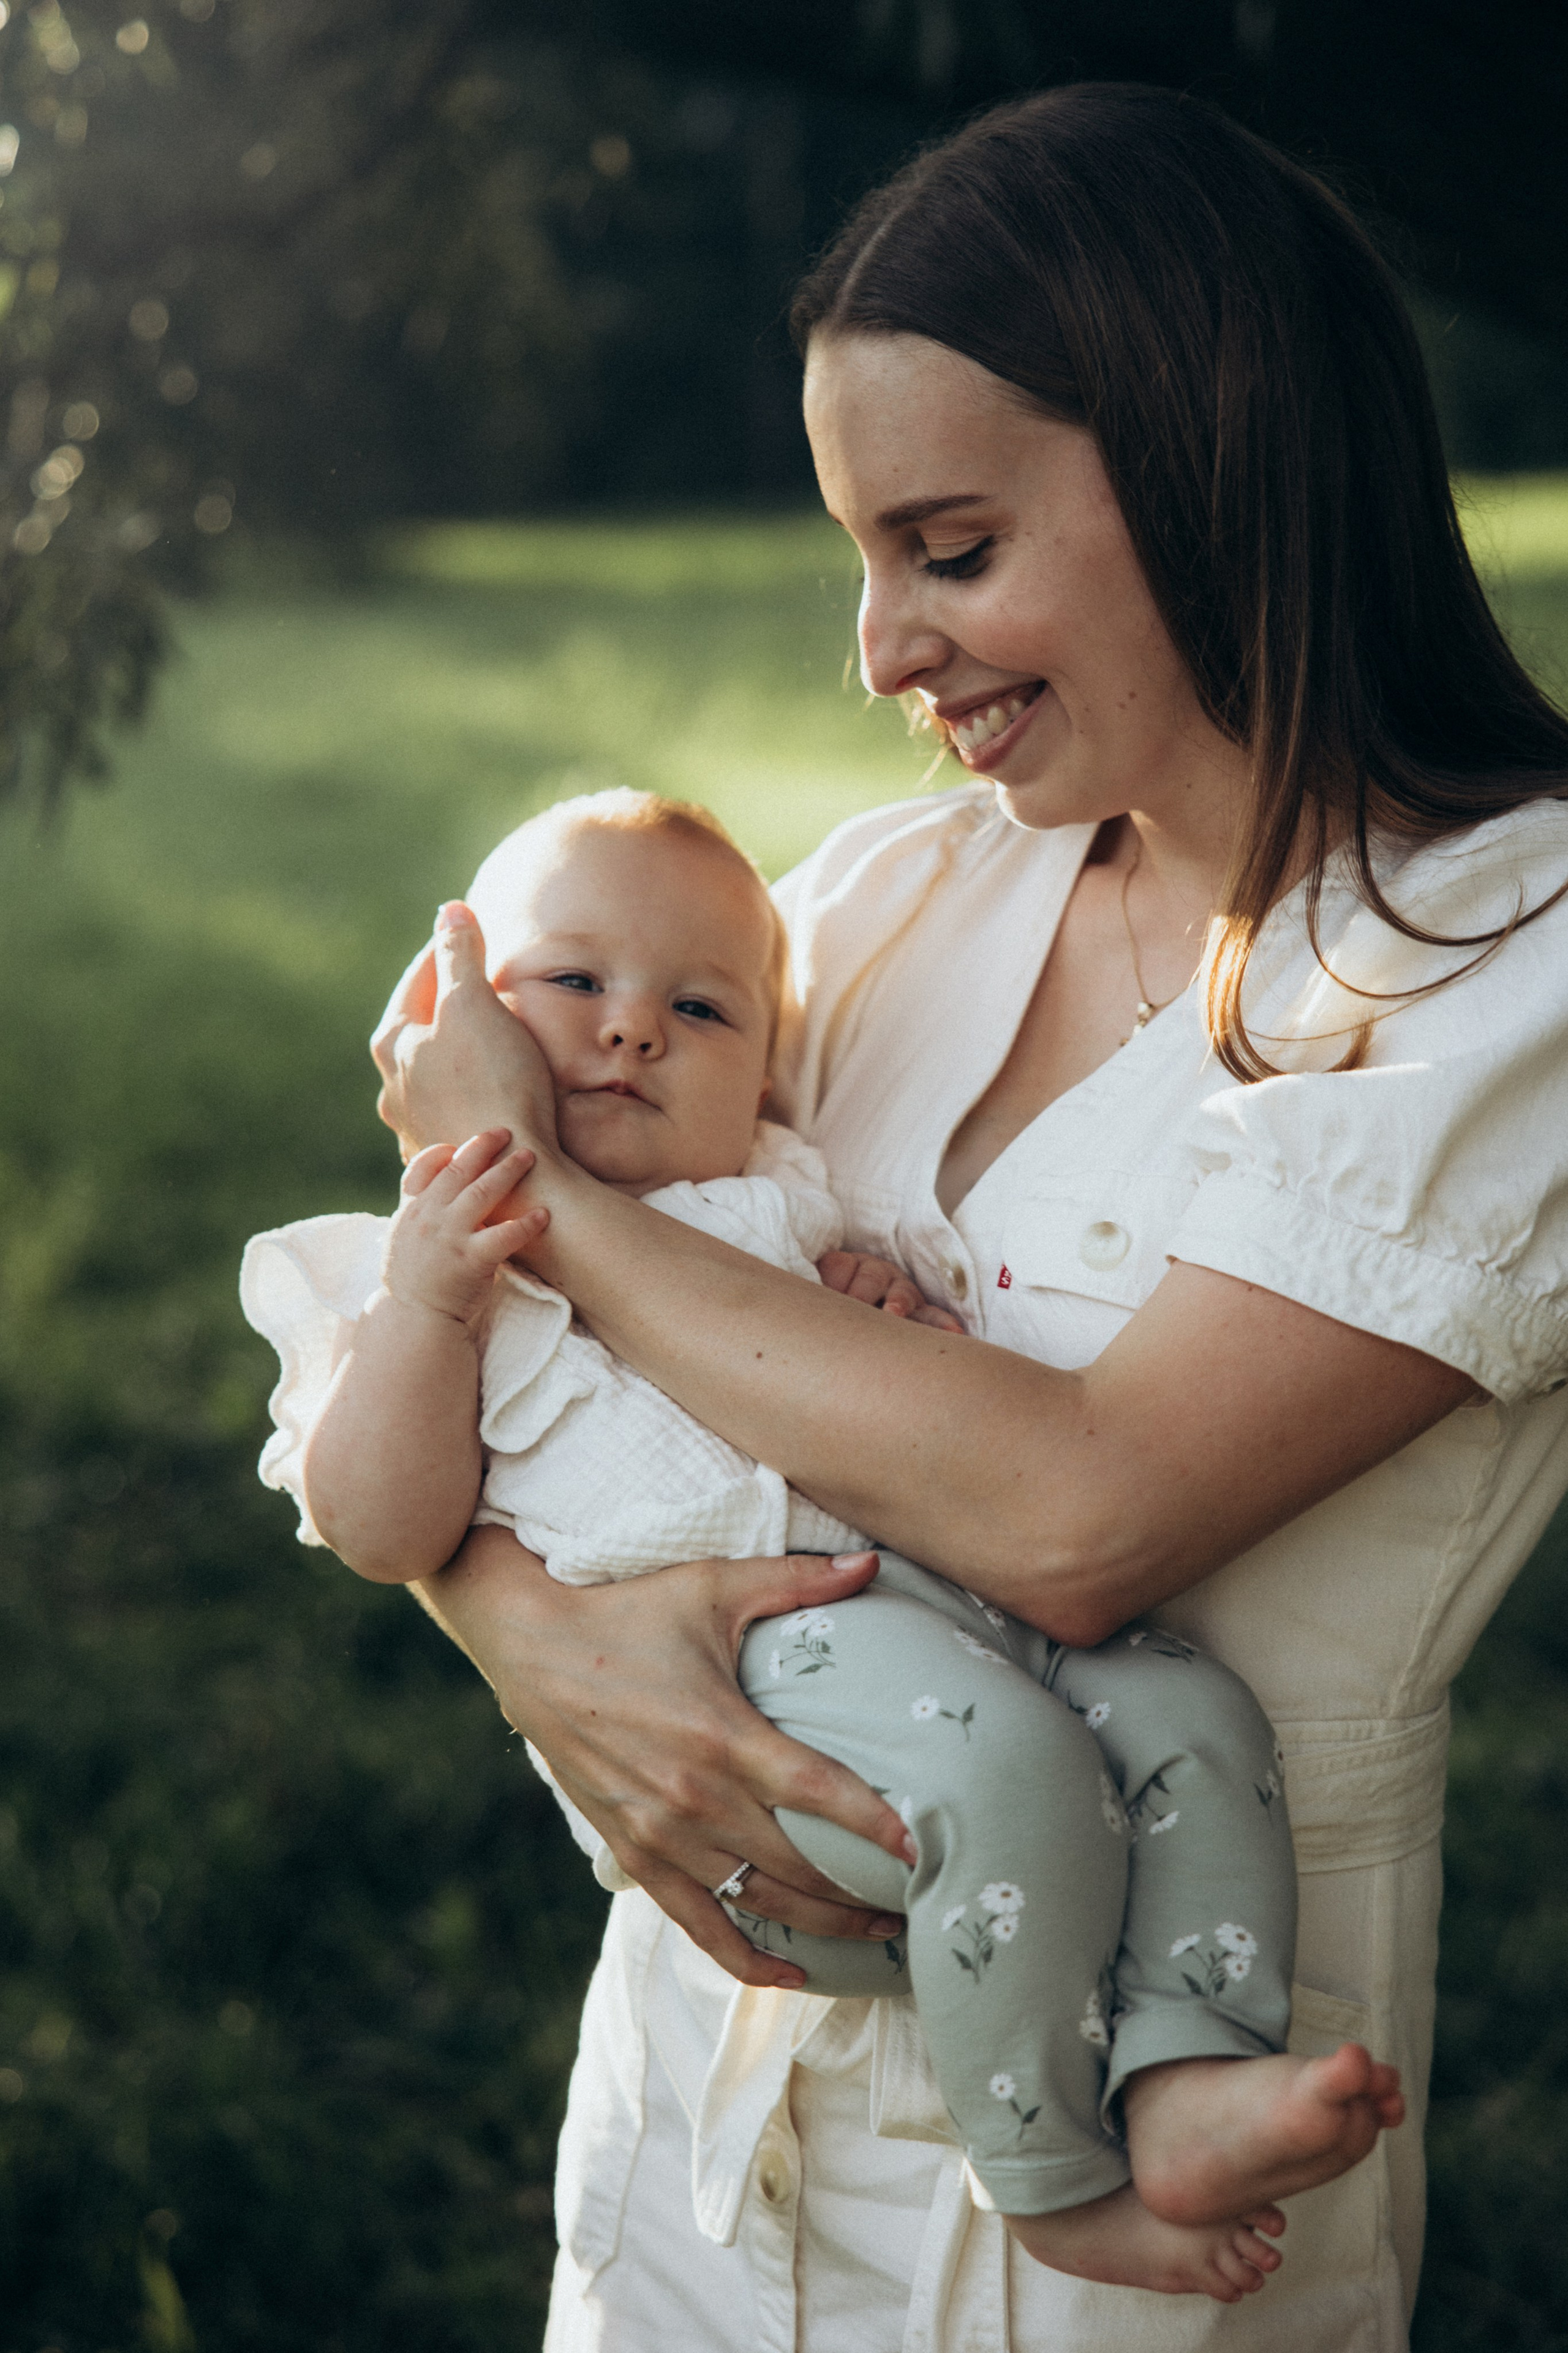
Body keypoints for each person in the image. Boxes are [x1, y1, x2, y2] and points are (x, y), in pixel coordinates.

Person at [363, 84, 1568, 2353]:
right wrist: (527, 1633)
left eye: (948, 546)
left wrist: (520, 1185)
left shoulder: (1513, 969)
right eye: (861, 556)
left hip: (1131, 2191)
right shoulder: (902, 896)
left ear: (1220, 465)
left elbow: (1084, 1513)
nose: (878, 649)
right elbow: (470, 1379)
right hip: (701, 2136)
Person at [241, 788, 1387, 2300]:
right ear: (454, 1014)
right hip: (764, 1670)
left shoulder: (776, 1190)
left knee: (1188, 1709)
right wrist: (434, 1308)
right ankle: (1052, 2166)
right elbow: (383, 1526)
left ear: (766, 1077)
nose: (633, 1028)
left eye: (698, 1008)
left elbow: (891, 1387)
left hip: (946, 1589)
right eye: (572, 983)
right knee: (1014, 1775)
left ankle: (1184, 2064)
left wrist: (881, 1312)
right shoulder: (417, 1261)